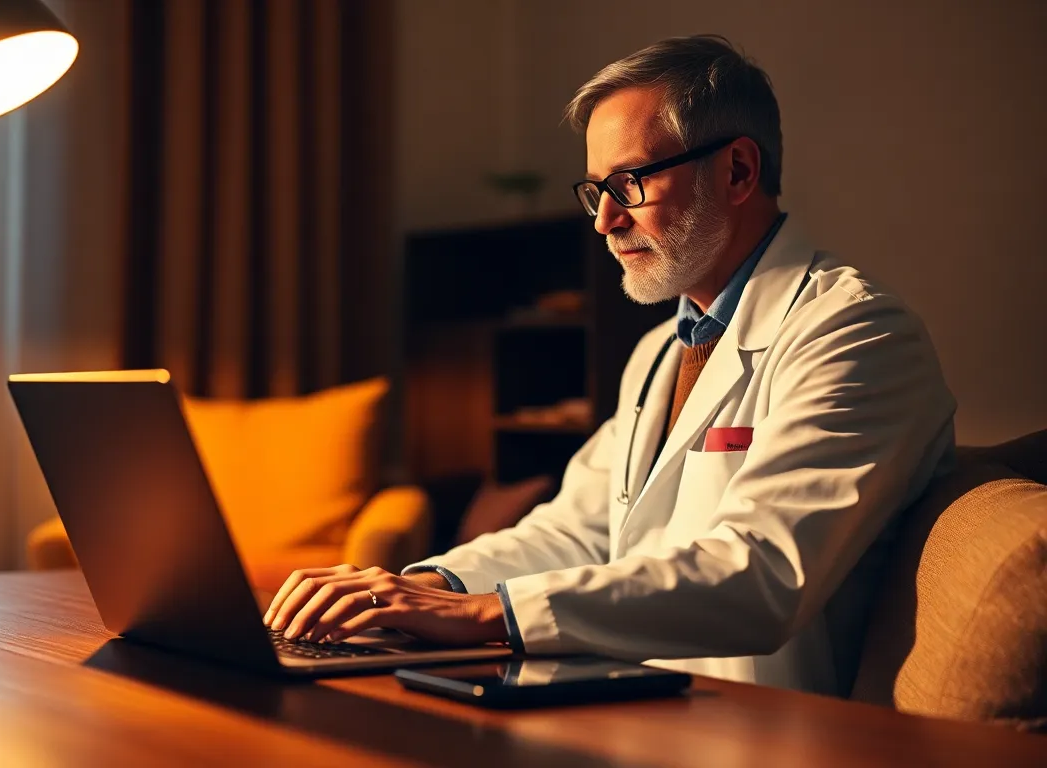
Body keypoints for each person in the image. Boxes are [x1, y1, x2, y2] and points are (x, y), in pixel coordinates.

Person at [262, 34, 956, 696]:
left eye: (629, 184)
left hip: (768, 730)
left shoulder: (856, 333)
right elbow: (577, 531)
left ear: (738, 171)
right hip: (643, 703)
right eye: (597, 191)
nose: (604, 221)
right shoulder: (661, 351)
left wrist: (485, 614)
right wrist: (424, 588)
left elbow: (761, 573)